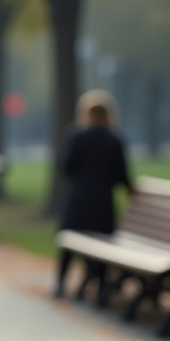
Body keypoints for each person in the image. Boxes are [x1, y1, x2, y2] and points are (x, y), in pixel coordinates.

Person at [53, 90, 133, 300]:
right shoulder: (114, 139)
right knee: (102, 243)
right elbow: (122, 176)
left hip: (77, 201)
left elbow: (66, 168)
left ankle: (60, 284)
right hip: (102, 204)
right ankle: (101, 286)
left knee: (68, 244)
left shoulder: (76, 136)